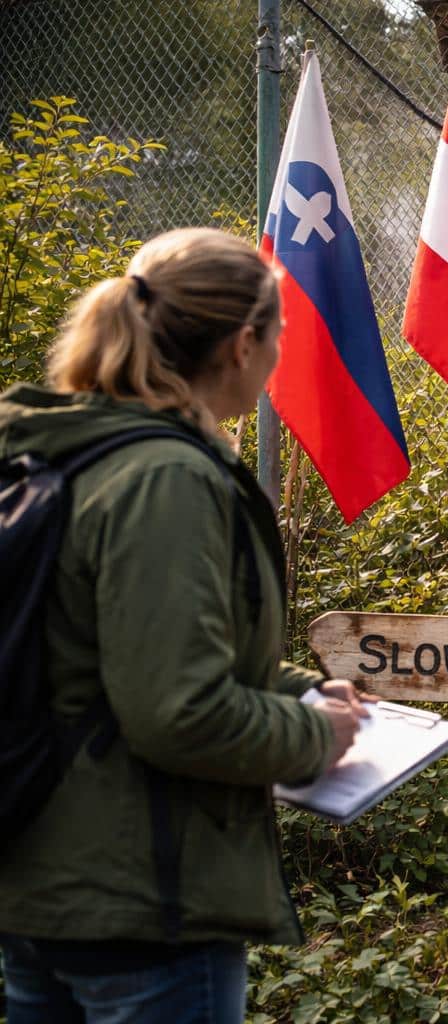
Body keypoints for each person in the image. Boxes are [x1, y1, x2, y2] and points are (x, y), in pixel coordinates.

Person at [0, 227, 371, 1024]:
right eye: (279, 333)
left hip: (43, 887)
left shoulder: (71, 451)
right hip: (144, 901)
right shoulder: (165, 479)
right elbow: (180, 712)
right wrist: (316, 736)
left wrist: (297, 690)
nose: (279, 353)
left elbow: (105, 652)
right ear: (243, 344)